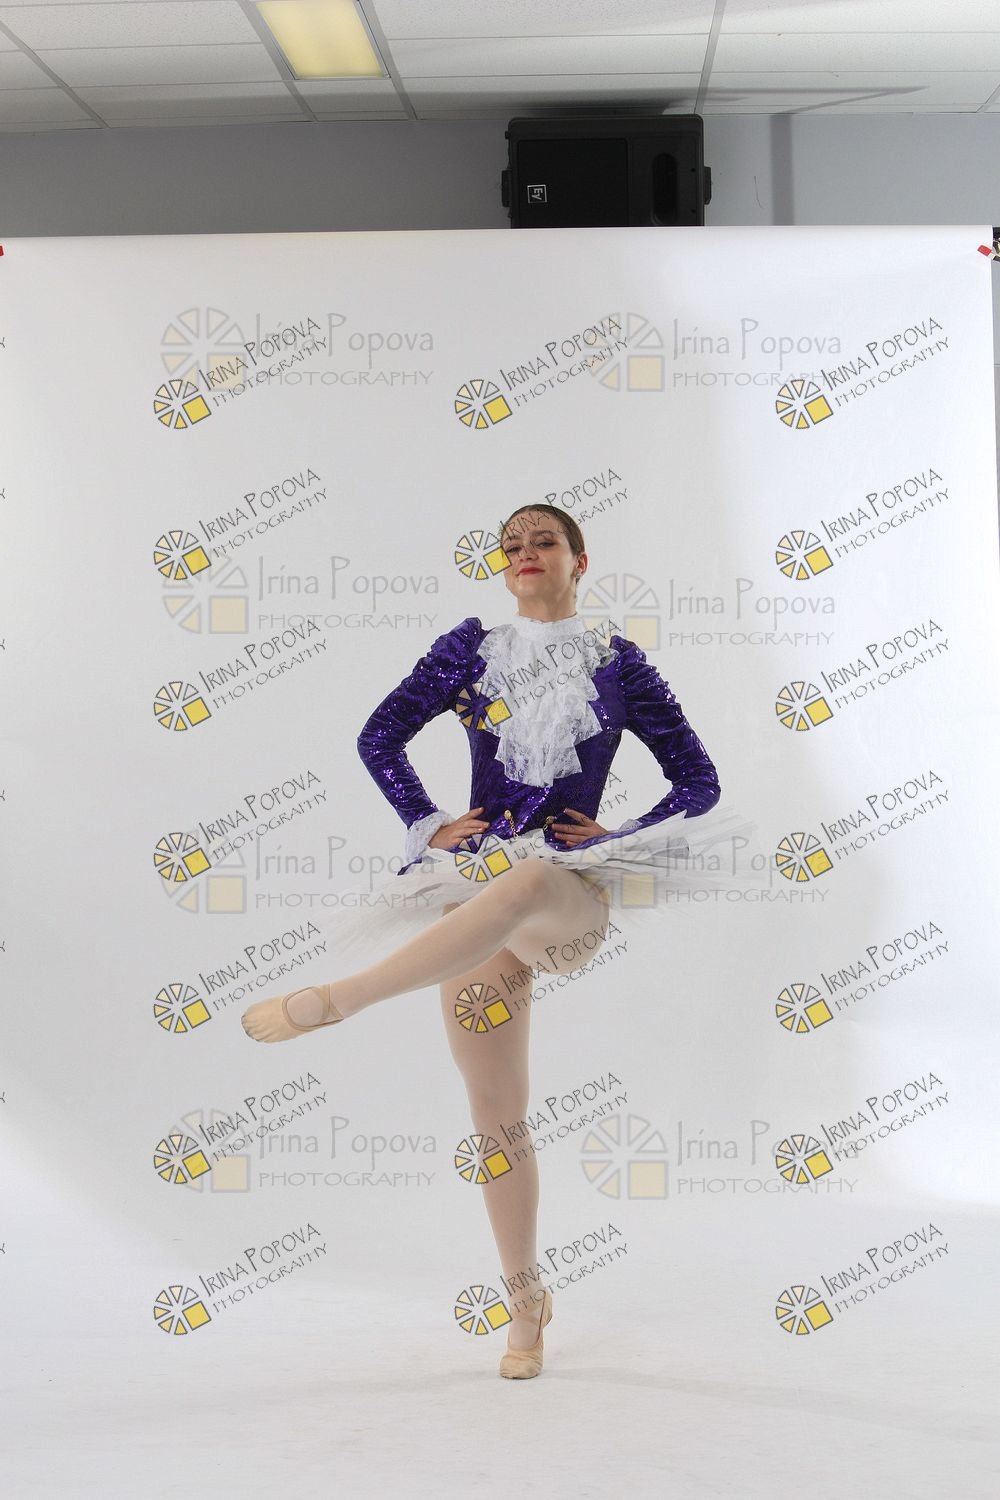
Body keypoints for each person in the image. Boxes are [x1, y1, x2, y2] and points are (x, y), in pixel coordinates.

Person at [242, 503, 758, 1378]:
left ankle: (338, 1000)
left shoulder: (618, 662)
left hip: (566, 899)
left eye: (543, 541)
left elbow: (698, 780)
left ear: (578, 561)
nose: (525, 553)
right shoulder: (470, 652)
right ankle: (526, 1303)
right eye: (512, 545)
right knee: (495, 1114)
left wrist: (620, 835)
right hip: (471, 895)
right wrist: (426, 820)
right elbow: (378, 737)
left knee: (525, 883)